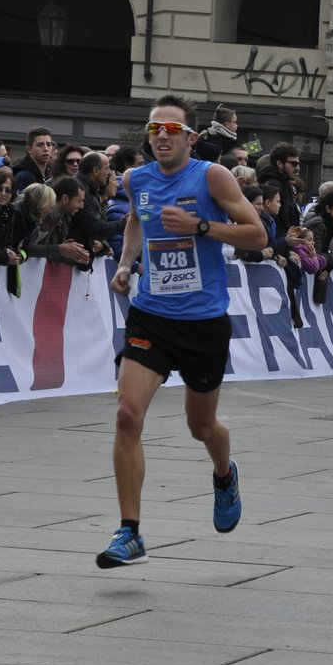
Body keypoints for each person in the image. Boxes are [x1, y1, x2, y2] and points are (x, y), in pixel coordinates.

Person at [99, 95, 266, 569]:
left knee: (201, 426)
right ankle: (129, 532)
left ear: (190, 137)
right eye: (155, 130)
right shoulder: (135, 179)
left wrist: (201, 226)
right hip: (151, 314)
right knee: (128, 415)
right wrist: (126, 264)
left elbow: (257, 235)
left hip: (203, 322)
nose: (162, 137)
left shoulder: (212, 176)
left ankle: (223, 472)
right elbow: (137, 219)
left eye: (172, 129)